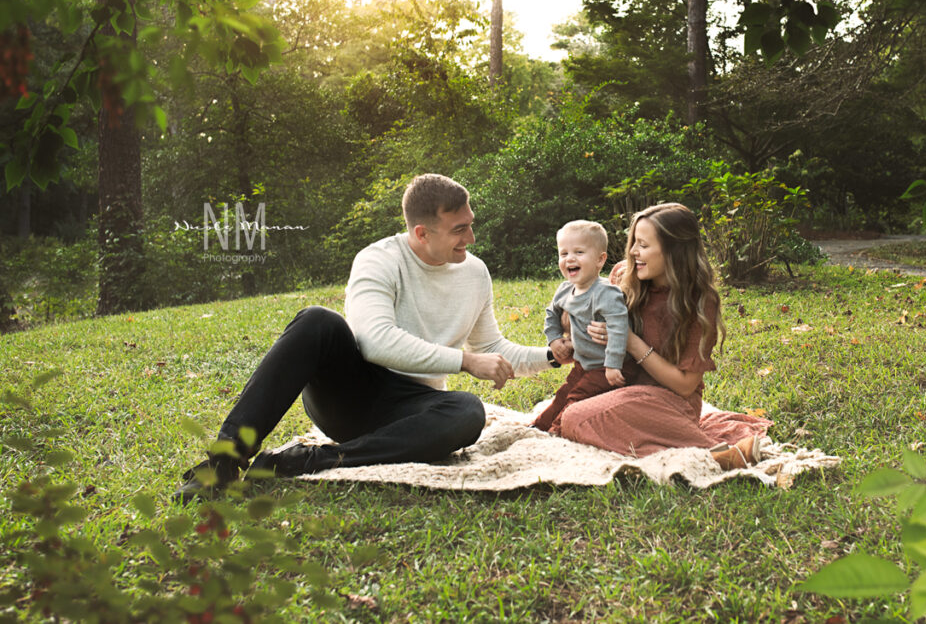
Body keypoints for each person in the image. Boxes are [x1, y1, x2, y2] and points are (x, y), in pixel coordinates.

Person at [173, 174, 553, 503]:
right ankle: (223, 463)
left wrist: (553, 356)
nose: (470, 237)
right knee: (317, 320)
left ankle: (305, 462)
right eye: (459, 229)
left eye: (470, 224)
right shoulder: (379, 260)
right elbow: (376, 341)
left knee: (468, 411)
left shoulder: (475, 274)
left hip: (413, 410)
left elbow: (490, 349)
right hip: (351, 396)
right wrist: (464, 361)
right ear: (422, 232)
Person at [557, 203, 771, 471]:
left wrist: (631, 342)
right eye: (634, 242)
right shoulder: (623, 278)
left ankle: (712, 454)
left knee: (576, 419)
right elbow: (590, 334)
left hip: (669, 403)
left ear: (674, 251)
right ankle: (699, 452)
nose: (633, 251)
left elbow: (684, 386)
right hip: (621, 389)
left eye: (643, 245)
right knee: (570, 414)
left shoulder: (699, 303)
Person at [532, 220, 629, 435]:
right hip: (583, 363)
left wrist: (613, 365)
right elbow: (551, 314)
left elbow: (619, 328)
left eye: (579, 252)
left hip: (605, 368)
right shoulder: (565, 289)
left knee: (577, 398)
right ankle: (537, 428)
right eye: (563, 253)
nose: (570, 259)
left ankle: (556, 433)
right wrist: (555, 339)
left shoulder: (606, 293)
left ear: (599, 260)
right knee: (563, 394)